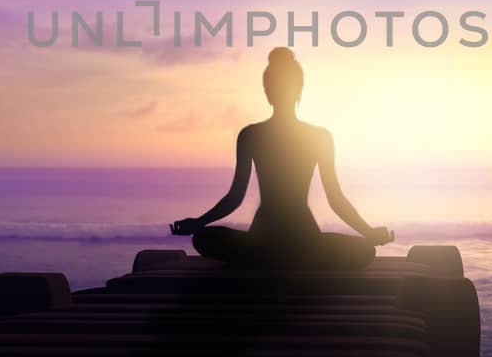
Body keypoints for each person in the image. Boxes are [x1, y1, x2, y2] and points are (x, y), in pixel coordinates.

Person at [169, 47, 394, 270]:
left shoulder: (251, 135)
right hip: (305, 242)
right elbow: (335, 199)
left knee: (203, 237)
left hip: (262, 241)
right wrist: (368, 233)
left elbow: (234, 198)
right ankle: (298, 262)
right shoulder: (319, 137)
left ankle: (262, 262)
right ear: (299, 90)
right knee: (364, 250)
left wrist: (197, 224)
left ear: (267, 91)